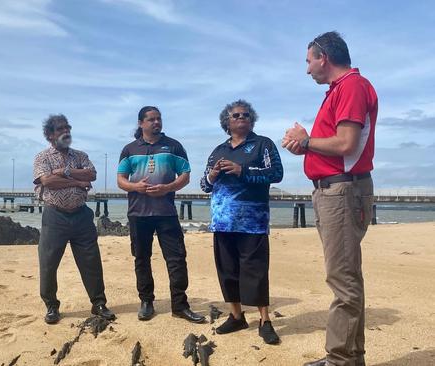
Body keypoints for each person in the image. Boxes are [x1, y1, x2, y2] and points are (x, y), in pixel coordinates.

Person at [282, 31, 377, 366]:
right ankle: (350, 357)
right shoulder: (341, 89)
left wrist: (306, 142)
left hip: (342, 191)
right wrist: (305, 144)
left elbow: (346, 144)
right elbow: (339, 144)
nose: (307, 69)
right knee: (346, 276)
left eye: (309, 61)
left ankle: (340, 360)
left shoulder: (351, 86)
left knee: (342, 279)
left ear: (324, 57)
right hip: (337, 191)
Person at [200, 99, 283, 345]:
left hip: (253, 221)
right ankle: (236, 316)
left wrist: (242, 171)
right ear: (227, 121)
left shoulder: (262, 144)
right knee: (227, 271)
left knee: (256, 271)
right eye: (236, 115)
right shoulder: (218, 150)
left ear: (252, 119)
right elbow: (204, 185)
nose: (241, 118)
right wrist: (213, 175)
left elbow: (276, 174)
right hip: (222, 222)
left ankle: (265, 320)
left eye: (246, 115)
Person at [117, 106, 205, 323]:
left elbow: (185, 175)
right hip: (138, 213)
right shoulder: (129, 149)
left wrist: (168, 187)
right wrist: (135, 186)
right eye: (151, 119)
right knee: (141, 259)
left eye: (159, 119)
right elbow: (121, 180)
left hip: (166, 212)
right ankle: (146, 302)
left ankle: (180, 305)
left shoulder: (173, 146)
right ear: (141, 123)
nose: (156, 122)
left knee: (176, 259)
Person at [33, 114, 115, 324]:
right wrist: (77, 182)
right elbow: (47, 181)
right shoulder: (42, 157)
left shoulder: (79, 155)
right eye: (60, 129)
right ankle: (51, 306)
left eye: (68, 127)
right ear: (50, 134)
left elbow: (92, 175)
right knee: (48, 263)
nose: (66, 132)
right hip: (55, 216)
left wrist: (66, 172)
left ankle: (98, 303)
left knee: (91, 262)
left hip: (81, 216)